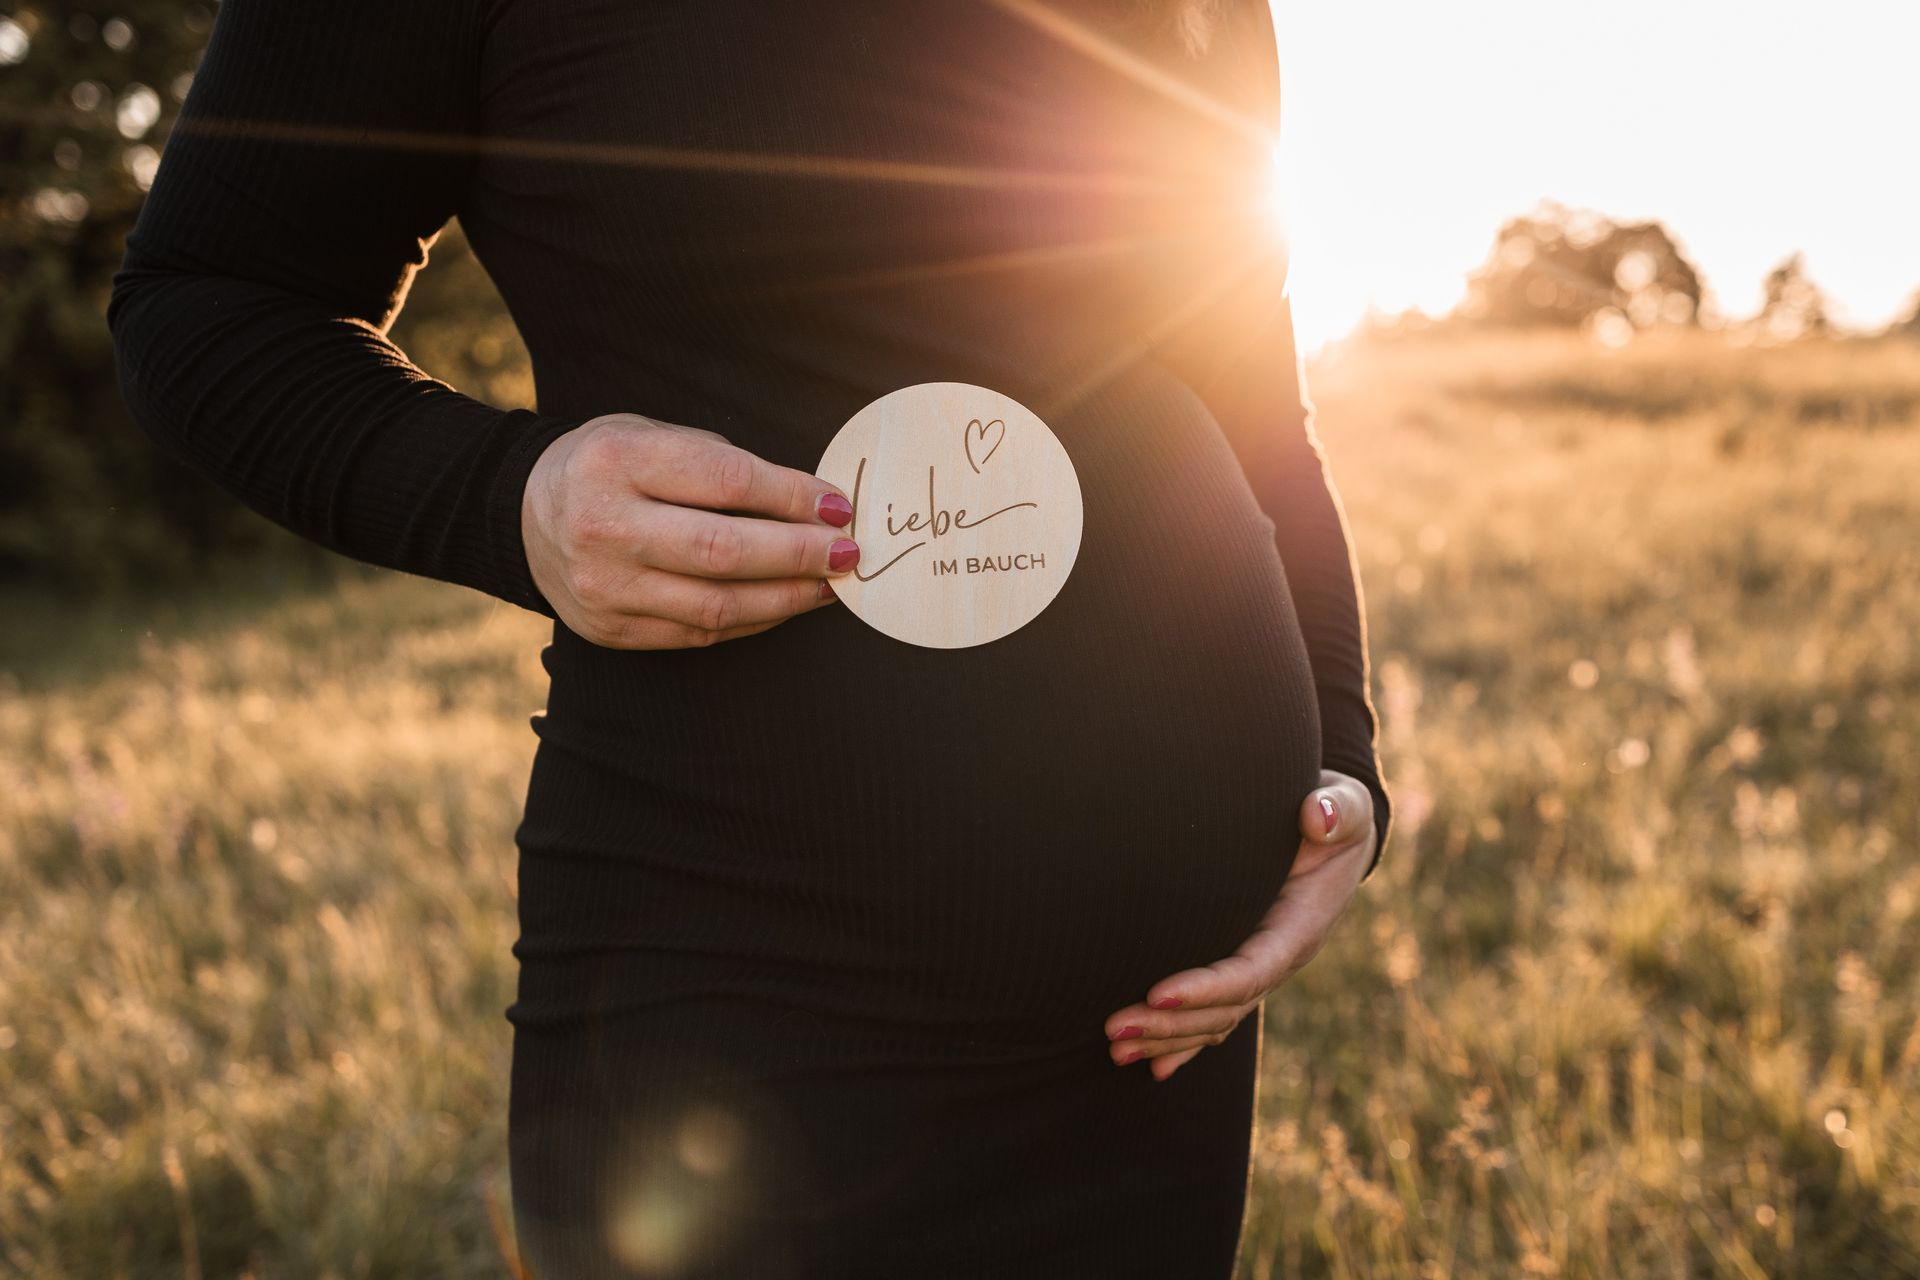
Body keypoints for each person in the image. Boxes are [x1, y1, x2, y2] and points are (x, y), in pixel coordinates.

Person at [107, 0, 1393, 1274]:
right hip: (746, 1012)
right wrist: (510, 500)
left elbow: (1248, 391)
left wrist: (1338, 751)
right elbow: (206, 296)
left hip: (1157, 1050)